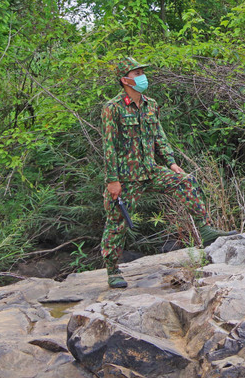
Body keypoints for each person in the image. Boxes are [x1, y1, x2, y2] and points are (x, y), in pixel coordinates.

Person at [101, 57, 236, 289]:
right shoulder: (112, 108)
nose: (142, 76)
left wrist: (171, 163)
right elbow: (109, 146)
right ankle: (113, 269)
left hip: (151, 169)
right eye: (137, 73)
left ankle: (204, 230)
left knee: (185, 181)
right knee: (117, 221)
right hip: (126, 177)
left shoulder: (150, 104)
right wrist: (113, 180)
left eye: (142, 71)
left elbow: (159, 137)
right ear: (125, 80)